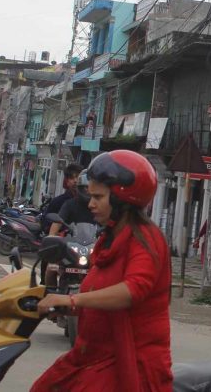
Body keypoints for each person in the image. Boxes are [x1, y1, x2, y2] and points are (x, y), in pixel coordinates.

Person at [32, 150, 172, 392]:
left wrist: (73, 298)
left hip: (128, 363)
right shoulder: (109, 237)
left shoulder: (147, 239)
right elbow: (97, 293)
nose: (91, 203)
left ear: (120, 198)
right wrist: (55, 305)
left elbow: (132, 290)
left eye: (98, 197)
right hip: (93, 355)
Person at [50, 170, 96, 236]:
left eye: (90, 187)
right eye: (84, 187)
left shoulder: (99, 206)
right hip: (71, 243)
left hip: (94, 244)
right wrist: (51, 238)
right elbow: (56, 225)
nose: (87, 190)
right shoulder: (69, 204)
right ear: (79, 187)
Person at [42, 164, 82, 234]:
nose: (75, 181)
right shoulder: (58, 202)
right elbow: (45, 224)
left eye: (77, 177)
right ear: (67, 181)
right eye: (71, 178)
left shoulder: (88, 202)